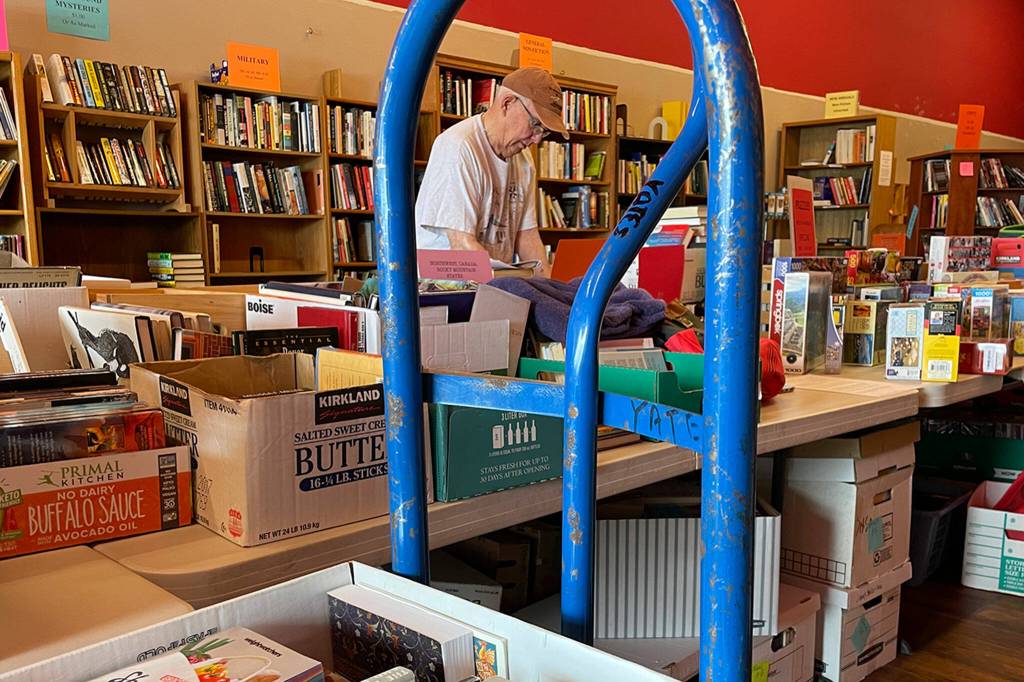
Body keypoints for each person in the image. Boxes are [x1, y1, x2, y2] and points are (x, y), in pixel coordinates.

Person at [415, 67, 569, 277]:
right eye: (535, 124)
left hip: (490, 287)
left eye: (545, 131)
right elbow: (462, 245)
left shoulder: (523, 161)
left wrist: (551, 289)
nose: (537, 139)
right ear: (507, 103)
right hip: (444, 290)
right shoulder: (459, 147)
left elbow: (527, 237)